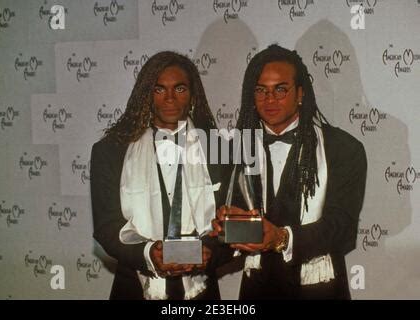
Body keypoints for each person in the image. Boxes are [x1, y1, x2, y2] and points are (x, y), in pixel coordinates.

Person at [212, 44, 367, 299]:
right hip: (257, 290)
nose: (269, 99)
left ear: (300, 94)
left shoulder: (344, 148)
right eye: (261, 90)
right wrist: (226, 228)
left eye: (280, 90)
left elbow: (342, 228)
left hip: (321, 291)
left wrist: (282, 238)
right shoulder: (235, 150)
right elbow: (229, 237)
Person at [90, 51, 228, 300]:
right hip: (134, 287)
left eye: (180, 89)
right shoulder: (109, 151)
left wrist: (210, 252)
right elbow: (105, 227)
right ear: (146, 94)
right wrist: (148, 254)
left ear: (193, 94)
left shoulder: (219, 149)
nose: (170, 99)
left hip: (202, 291)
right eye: (159, 89)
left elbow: (230, 222)